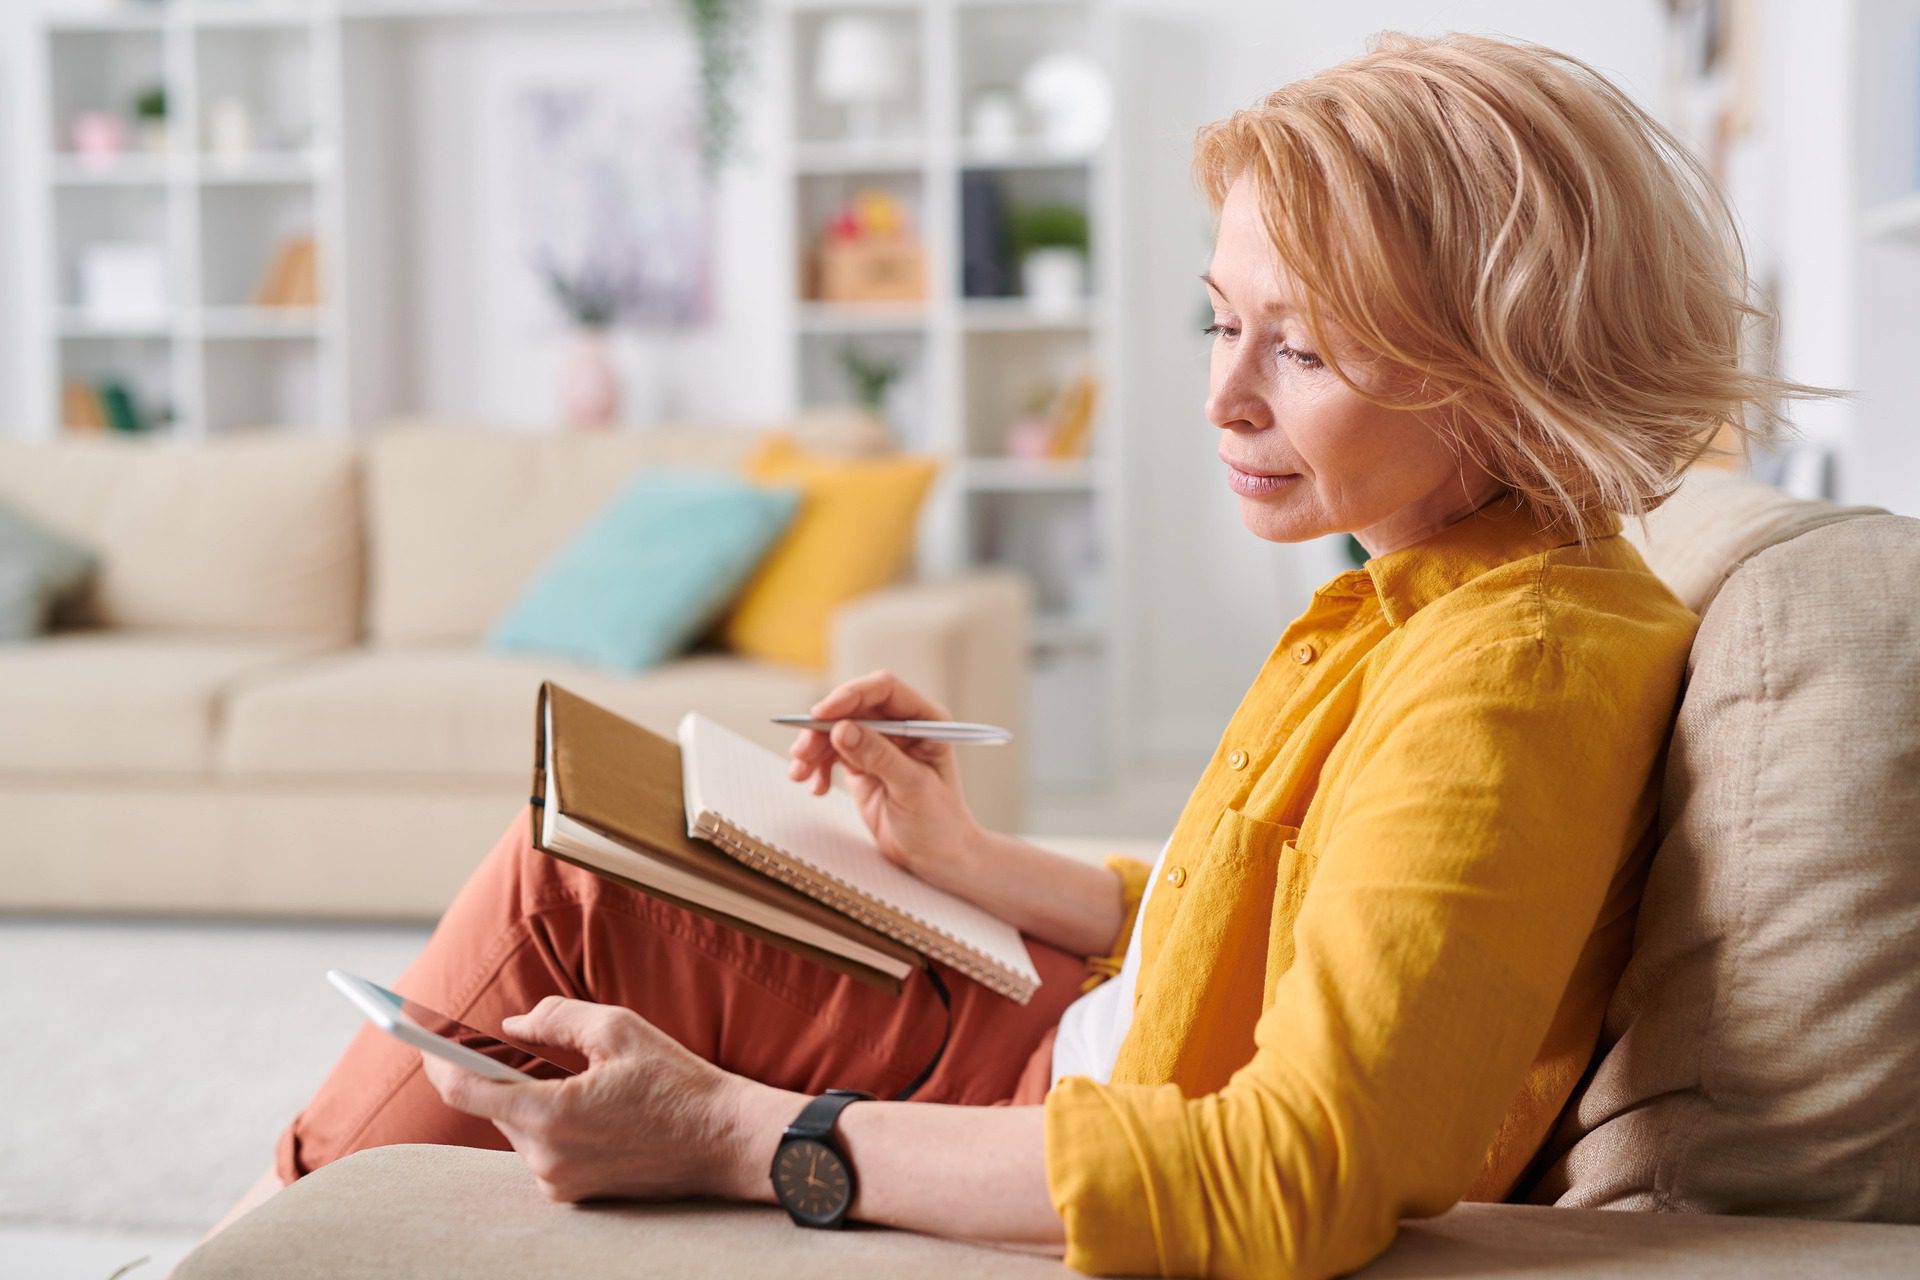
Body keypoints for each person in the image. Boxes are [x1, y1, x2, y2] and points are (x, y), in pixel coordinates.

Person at [203, 31, 1821, 1279]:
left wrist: (736, 1136)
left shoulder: (1514, 673)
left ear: (1512, 375)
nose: (1222, 397)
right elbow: (1271, 900)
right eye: (1221, 318)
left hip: (1058, 1106)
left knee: (573, 890)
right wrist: (966, 857)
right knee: (618, 852)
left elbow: (1302, 1167)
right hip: (1086, 1015)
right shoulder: (1444, 580)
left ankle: (268, 1233)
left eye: (1304, 346)